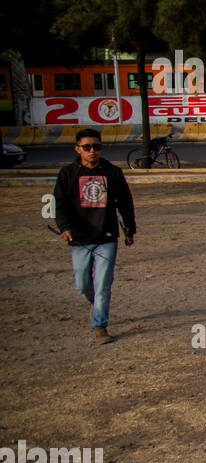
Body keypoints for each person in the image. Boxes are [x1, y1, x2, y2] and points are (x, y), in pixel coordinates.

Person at [54, 128, 137, 344]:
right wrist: (64, 227)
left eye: (96, 147)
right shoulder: (68, 174)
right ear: (78, 149)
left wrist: (129, 229)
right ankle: (96, 303)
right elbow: (59, 204)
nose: (92, 151)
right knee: (82, 283)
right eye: (87, 147)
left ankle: (100, 326)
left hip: (106, 237)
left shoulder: (112, 173)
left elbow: (126, 203)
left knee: (102, 284)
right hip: (79, 238)